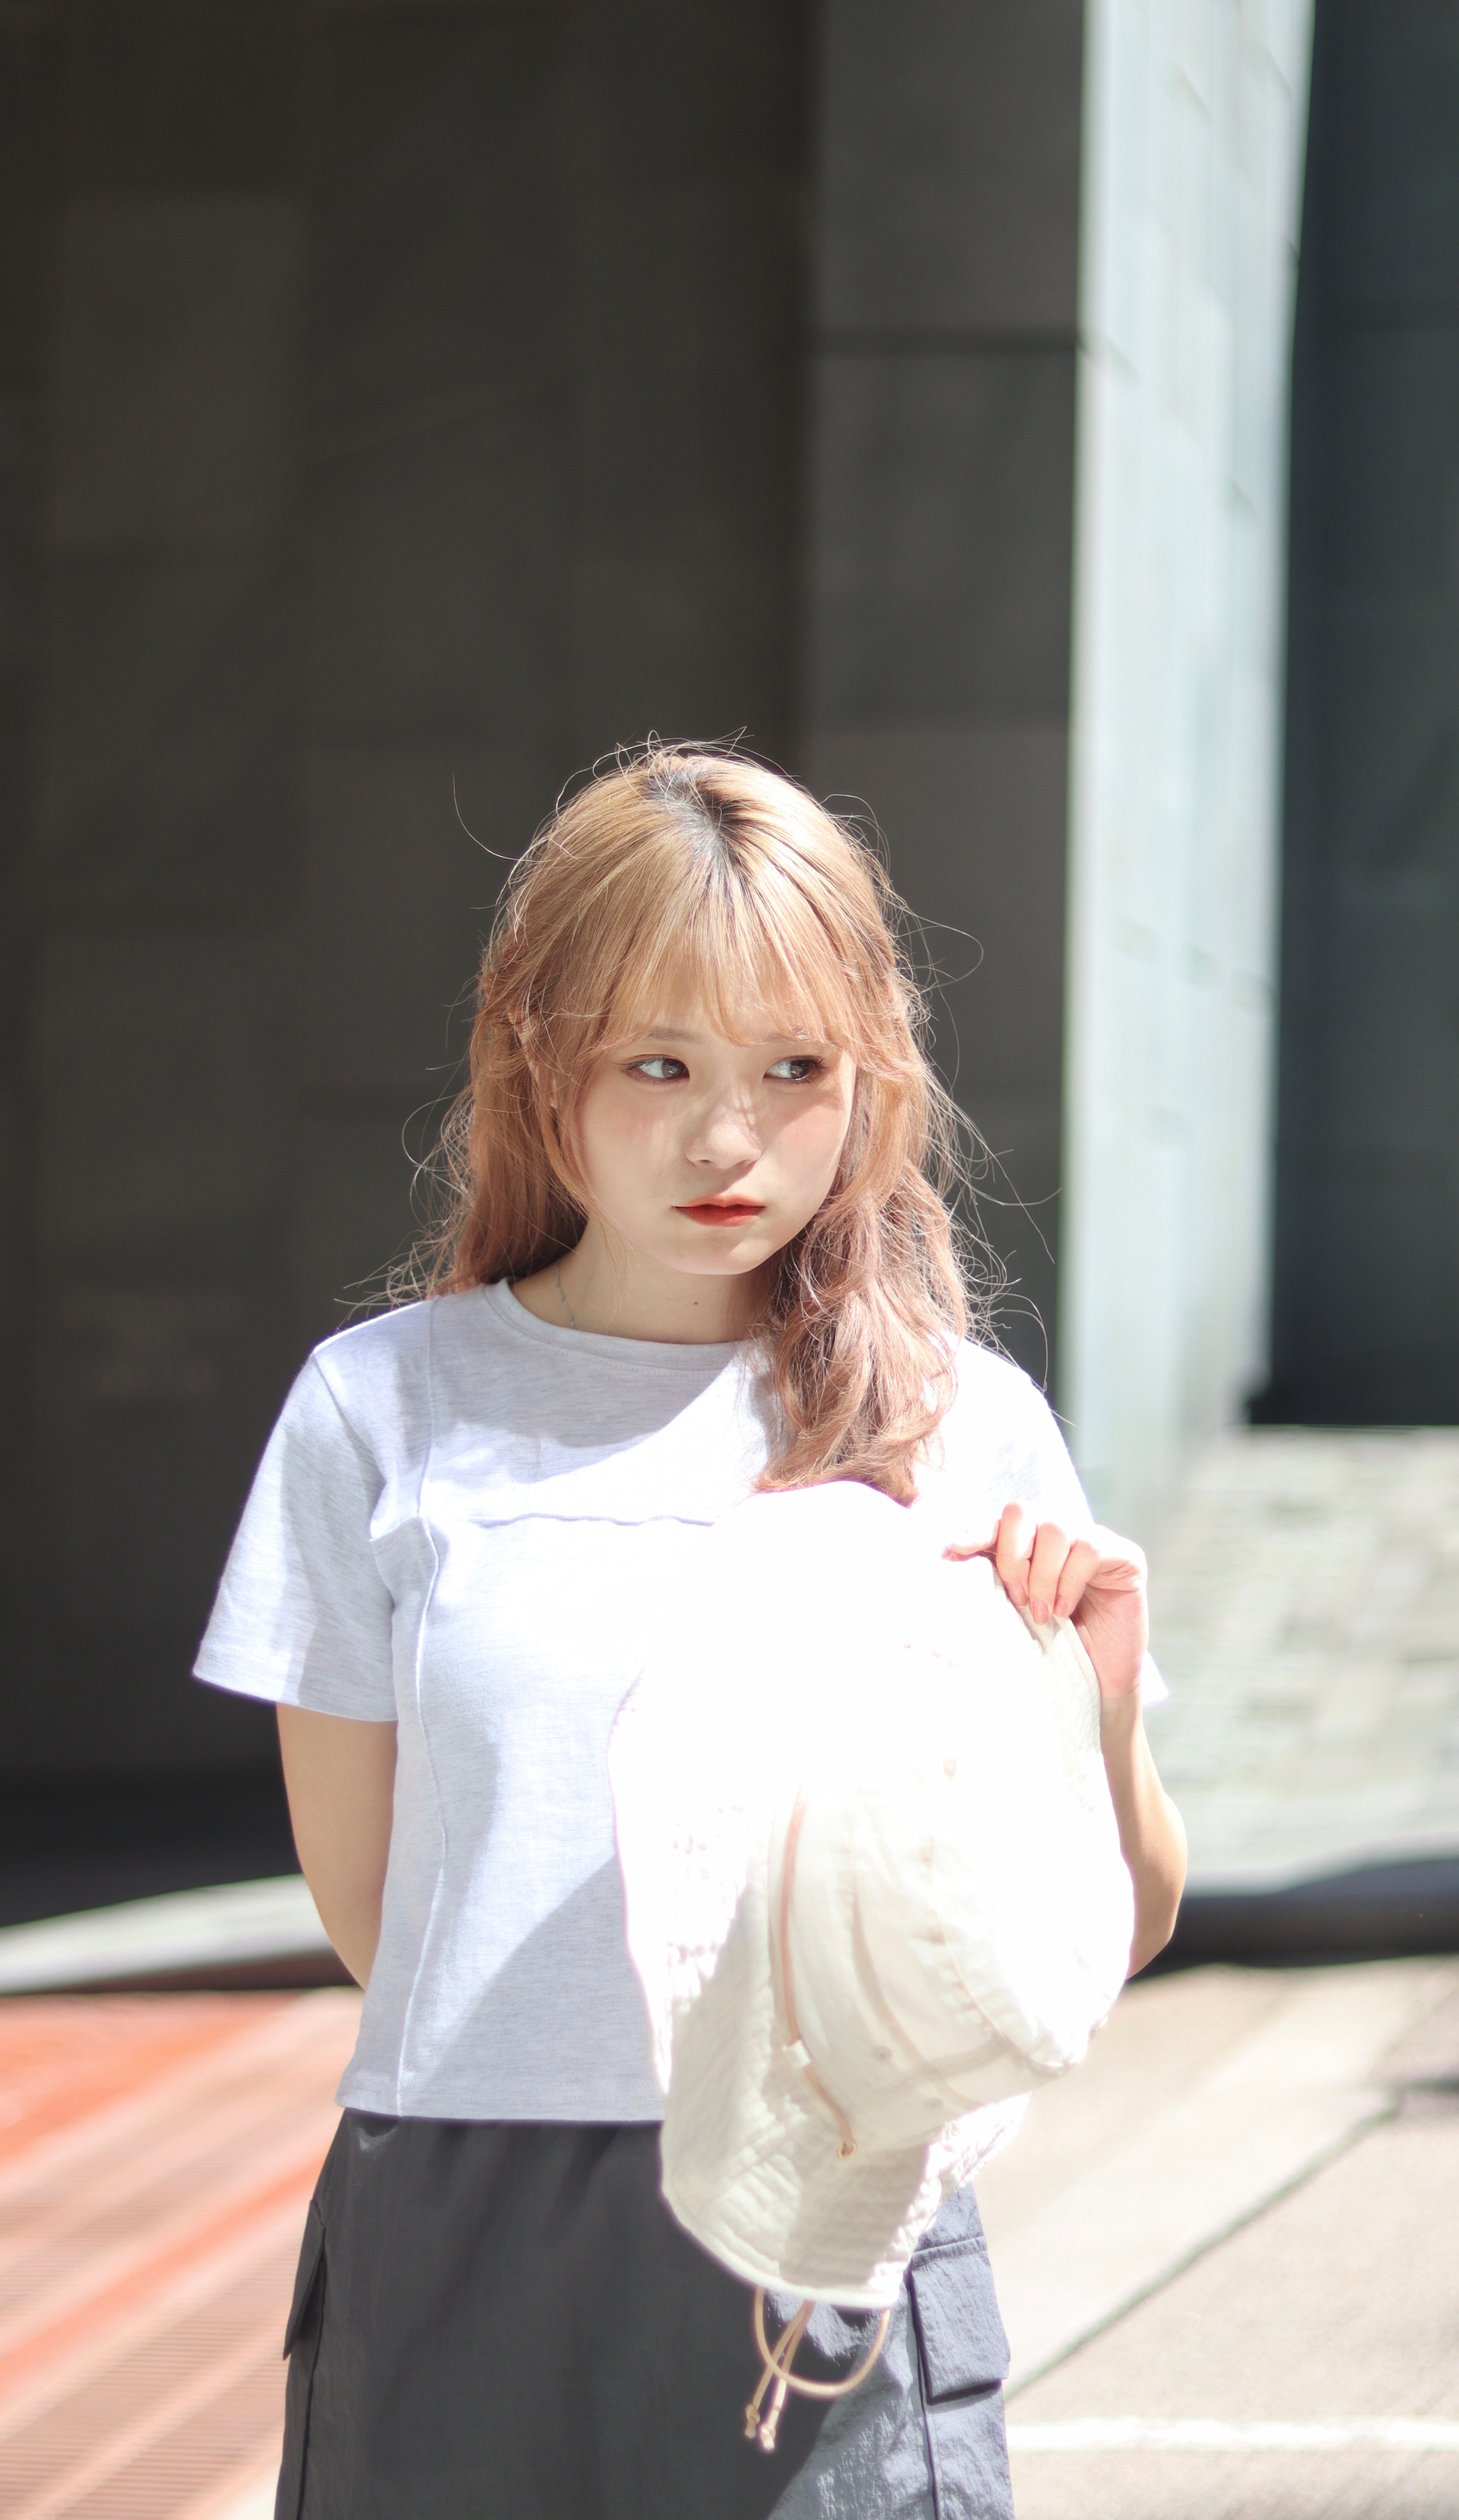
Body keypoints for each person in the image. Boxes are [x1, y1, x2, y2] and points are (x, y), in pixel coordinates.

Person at [195, 748, 1186, 2520]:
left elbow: (1110, 1931)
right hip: (467, 2220)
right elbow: (376, 1918)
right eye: (658, 1065)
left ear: (866, 1079)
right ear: (539, 1063)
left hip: (840, 2215)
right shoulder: (381, 1410)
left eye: (794, 1070)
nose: (728, 1140)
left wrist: (1095, 1704)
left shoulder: (960, 1425)